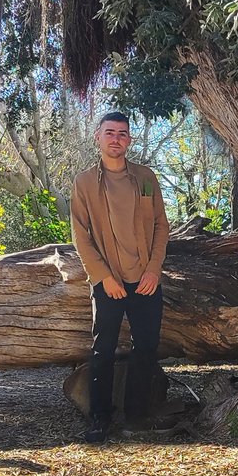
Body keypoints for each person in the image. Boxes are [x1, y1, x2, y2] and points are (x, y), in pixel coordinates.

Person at [70, 111, 170, 443]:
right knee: (103, 350)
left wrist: (154, 270)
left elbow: (160, 225)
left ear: (129, 140)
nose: (116, 138)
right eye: (110, 132)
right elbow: (80, 235)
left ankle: (136, 417)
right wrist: (101, 277)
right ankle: (99, 418)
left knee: (146, 348)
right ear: (97, 137)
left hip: (145, 279)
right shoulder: (84, 183)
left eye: (122, 133)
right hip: (108, 281)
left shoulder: (144, 178)